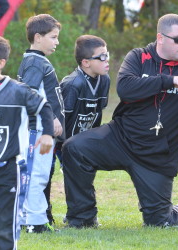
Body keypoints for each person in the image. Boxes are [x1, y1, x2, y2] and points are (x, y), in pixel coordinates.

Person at [62, 13, 178, 229]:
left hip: (157, 156)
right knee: (74, 148)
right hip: (120, 139)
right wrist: (167, 81)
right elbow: (125, 89)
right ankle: (82, 218)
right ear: (161, 38)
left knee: (159, 221)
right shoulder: (139, 57)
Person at [0, 35, 53, 250]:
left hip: (7, 169)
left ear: (0, 63)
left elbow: (44, 107)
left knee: (4, 224)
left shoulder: (17, 91)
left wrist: (47, 134)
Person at [46, 35, 110, 224]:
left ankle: (80, 214)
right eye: (102, 57)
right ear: (86, 62)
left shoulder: (104, 81)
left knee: (84, 175)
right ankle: (68, 216)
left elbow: (97, 114)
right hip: (62, 141)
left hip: (83, 142)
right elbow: (61, 119)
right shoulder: (73, 85)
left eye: (108, 55)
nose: (107, 61)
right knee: (71, 175)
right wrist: (65, 146)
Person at [17, 14, 65, 233]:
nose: (56, 42)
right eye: (53, 37)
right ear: (38, 37)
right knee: (36, 175)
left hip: (41, 131)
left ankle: (33, 220)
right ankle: (34, 223)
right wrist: (51, 119)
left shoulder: (38, 61)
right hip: (37, 131)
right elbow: (29, 95)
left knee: (40, 175)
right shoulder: (35, 62)